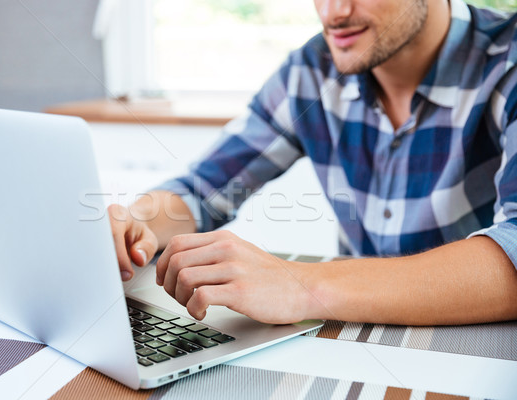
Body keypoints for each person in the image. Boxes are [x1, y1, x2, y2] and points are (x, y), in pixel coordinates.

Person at [108, 0, 517, 326]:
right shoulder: (311, 71)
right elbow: (203, 189)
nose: (332, 12)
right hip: (358, 334)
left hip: (478, 344)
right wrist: (136, 223)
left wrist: (300, 285)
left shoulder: (507, 62)